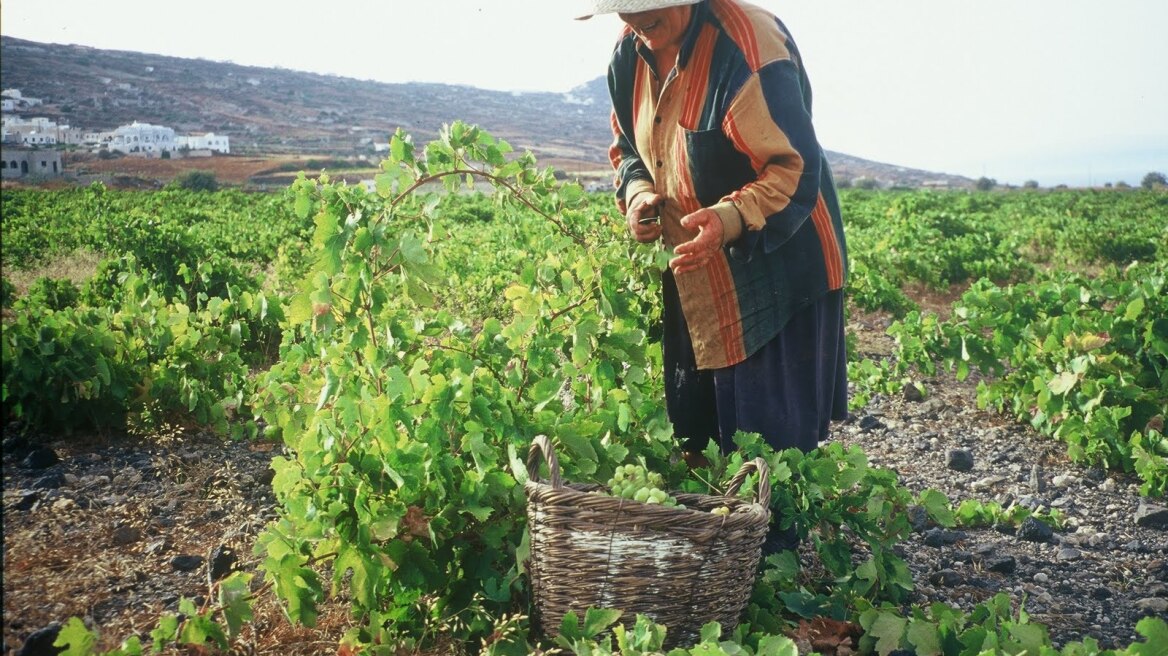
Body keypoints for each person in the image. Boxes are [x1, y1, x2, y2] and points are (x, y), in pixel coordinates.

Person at [578, 0, 849, 471]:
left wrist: (727, 219)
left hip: (777, 261)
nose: (635, 20)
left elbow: (793, 168)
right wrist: (640, 193)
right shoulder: (629, 52)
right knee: (698, 435)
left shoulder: (748, 45)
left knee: (768, 448)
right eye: (623, 9)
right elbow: (627, 145)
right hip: (695, 265)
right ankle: (718, 535)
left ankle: (766, 536)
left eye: (647, 6)